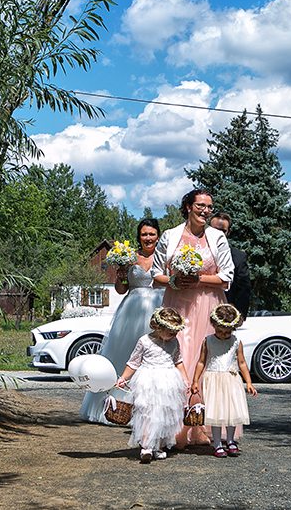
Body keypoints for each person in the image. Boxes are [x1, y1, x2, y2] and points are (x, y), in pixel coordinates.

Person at [152, 189, 235, 447]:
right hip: (177, 306)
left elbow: (227, 277)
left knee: (205, 364)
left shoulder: (217, 237)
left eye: (209, 206)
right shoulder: (170, 236)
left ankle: (205, 426)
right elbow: (156, 276)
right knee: (176, 363)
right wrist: (175, 281)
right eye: (200, 205)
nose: (205, 210)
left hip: (208, 306)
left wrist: (198, 279)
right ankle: (172, 428)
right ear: (188, 207)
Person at [80, 219, 165, 423]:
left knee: (153, 358)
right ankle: (116, 407)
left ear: (158, 236)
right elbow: (121, 289)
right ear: (139, 237)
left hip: (158, 307)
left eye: (152, 234)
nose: (148, 238)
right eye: (144, 234)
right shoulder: (129, 258)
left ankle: (150, 408)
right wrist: (121, 275)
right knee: (124, 355)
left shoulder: (164, 258)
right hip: (132, 309)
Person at [116, 308, 190, 463]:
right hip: (148, 380)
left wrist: (185, 379)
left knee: (164, 414)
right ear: (158, 328)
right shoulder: (144, 341)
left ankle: (160, 446)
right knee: (148, 413)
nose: (174, 336)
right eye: (171, 332)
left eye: (176, 333)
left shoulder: (174, 342)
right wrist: (123, 377)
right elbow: (134, 362)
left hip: (168, 380)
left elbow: (178, 360)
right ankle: (146, 446)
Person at [191, 303, 257, 457]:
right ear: (213, 326)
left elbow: (241, 363)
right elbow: (201, 361)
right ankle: (217, 444)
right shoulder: (208, 341)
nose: (223, 335)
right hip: (213, 379)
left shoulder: (235, 342)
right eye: (219, 331)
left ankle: (230, 440)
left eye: (227, 332)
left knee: (231, 411)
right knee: (216, 412)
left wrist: (248, 382)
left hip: (231, 379)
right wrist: (195, 381)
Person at [209, 213, 252, 318]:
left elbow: (243, 290)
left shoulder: (238, 257)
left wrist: (239, 317)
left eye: (222, 231)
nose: (218, 234)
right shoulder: (196, 252)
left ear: (228, 232)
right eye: (214, 229)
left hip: (225, 315)